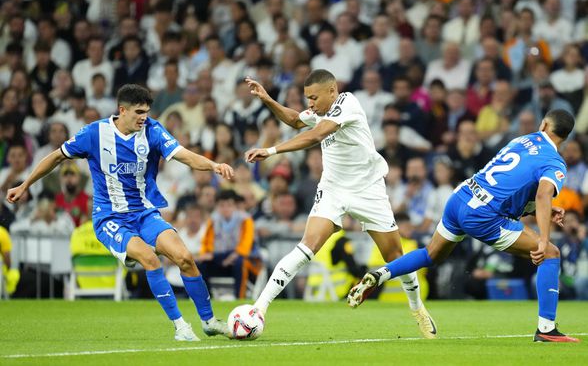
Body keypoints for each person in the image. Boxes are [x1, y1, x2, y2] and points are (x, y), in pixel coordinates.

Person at [6, 84, 234, 342]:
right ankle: (181, 326)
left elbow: (185, 156)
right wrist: (25, 185)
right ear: (122, 110)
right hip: (110, 218)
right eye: (138, 112)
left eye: (146, 111)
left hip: (145, 213)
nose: (143, 117)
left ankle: (209, 320)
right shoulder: (94, 134)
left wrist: (213, 165)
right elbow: (56, 157)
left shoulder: (152, 130)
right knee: (149, 258)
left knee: (184, 258)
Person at [348, 109, 580, 343]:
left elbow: (509, 185)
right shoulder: (554, 161)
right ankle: (546, 329)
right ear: (565, 136)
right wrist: (542, 236)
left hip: (461, 197)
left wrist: (542, 210)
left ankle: (380, 273)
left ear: (543, 125)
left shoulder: (522, 140)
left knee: (431, 254)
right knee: (550, 252)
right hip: (484, 215)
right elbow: (543, 195)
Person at [244, 70, 437, 339]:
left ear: (332, 91)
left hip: (368, 189)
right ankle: (259, 309)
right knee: (307, 245)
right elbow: (295, 120)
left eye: (313, 97)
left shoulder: (348, 104)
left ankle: (418, 309)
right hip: (333, 189)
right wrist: (267, 99)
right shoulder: (318, 112)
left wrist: (272, 150)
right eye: (306, 98)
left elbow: (315, 136)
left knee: (395, 256)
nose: (309, 104)